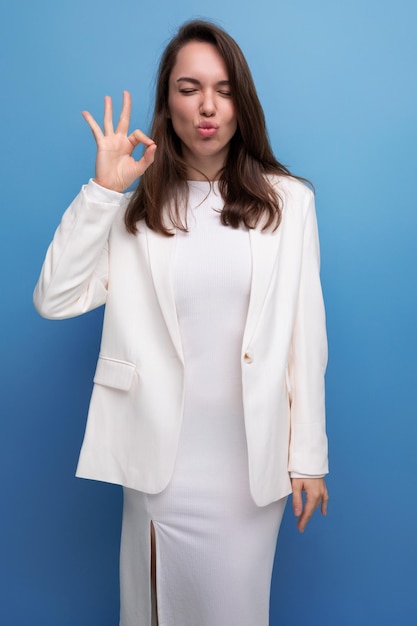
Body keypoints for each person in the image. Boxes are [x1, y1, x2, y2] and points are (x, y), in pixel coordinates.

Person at [34, 19, 329, 626]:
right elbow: (55, 299)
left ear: (241, 102)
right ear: (167, 102)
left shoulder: (289, 202)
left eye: (222, 90)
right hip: (159, 465)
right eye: (188, 88)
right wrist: (101, 191)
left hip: (250, 470)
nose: (207, 107)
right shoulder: (135, 209)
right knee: (153, 614)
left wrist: (309, 457)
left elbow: (307, 335)